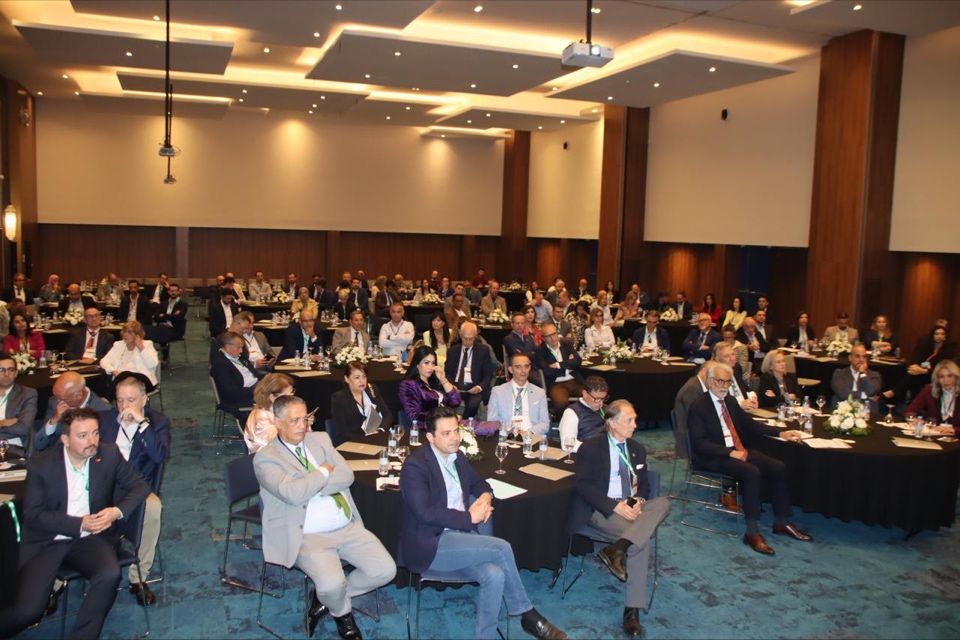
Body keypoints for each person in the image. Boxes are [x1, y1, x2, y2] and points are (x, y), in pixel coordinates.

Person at [398, 406, 567, 640]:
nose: (454, 437)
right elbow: (424, 513)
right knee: (501, 548)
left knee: (495, 574)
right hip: (431, 545)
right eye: (446, 433)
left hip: (461, 538)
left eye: (456, 431)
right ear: (430, 437)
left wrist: (486, 496)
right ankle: (528, 615)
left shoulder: (457, 456)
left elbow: (480, 483)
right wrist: (469, 518)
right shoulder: (415, 466)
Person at [0, 407, 150, 639]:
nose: (92, 441)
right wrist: (79, 524)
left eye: (95, 433)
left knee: (109, 573)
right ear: (65, 439)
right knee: (28, 612)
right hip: (49, 541)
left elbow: (140, 485)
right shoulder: (42, 465)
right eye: (83, 435)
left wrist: (116, 512)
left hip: (90, 540)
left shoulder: (108, 454)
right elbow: (33, 515)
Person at [254, 395, 396, 640]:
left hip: (347, 526)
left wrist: (308, 485)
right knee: (332, 585)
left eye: (305, 418)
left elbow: (347, 476)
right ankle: (342, 613)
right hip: (308, 536)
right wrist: (323, 471)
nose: (303, 426)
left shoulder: (320, 439)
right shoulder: (266, 458)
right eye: (295, 420)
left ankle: (324, 600)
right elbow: (292, 494)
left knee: (385, 571)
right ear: (277, 422)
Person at [567, 399, 670, 638]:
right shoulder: (591, 448)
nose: (635, 425)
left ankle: (617, 548)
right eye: (629, 420)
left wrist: (638, 501)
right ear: (612, 423)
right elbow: (583, 486)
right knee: (641, 542)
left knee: (664, 503)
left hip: (632, 507)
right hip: (602, 509)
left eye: (635, 419)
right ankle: (632, 610)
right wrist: (615, 507)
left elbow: (644, 486)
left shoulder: (637, 449)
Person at [687, 363, 811, 555]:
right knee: (751, 472)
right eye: (720, 381)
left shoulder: (730, 401)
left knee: (778, 467)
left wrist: (780, 433)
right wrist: (729, 453)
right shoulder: (699, 406)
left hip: (737, 450)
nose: (724, 386)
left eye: (728, 382)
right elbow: (699, 443)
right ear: (710, 382)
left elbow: (751, 425)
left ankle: (781, 521)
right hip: (713, 456)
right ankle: (752, 532)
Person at [97, 375, 170, 604]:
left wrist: (142, 424)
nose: (124, 406)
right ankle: (55, 582)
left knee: (153, 507)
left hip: (136, 488)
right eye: (120, 400)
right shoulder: (103, 420)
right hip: (102, 486)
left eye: (131, 400)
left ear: (144, 399)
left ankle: (138, 577)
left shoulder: (157, 423)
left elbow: (159, 456)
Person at [32, 370, 110, 455]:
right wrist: (54, 420)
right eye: (57, 397)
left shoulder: (103, 410)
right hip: (55, 455)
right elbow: (39, 444)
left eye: (62, 399)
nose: (58, 401)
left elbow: (101, 449)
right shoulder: (54, 402)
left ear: (78, 396)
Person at [330, 361, 394, 445]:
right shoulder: (339, 398)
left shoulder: (372, 389)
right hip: (355, 443)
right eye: (357, 377)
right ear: (346, 379)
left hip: (377, 437)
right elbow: (343, 432)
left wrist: (380, 431)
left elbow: (387, 415)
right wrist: (366, 438)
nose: (362, 381)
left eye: (364, 376)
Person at [444, 321, 496, 420]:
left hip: (474, 387)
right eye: (465, 338)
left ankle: (464, 424)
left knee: (473, 404)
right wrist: (451, 385)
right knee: (447, 401)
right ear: (460, 335)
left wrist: (479, 387)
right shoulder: (452, 351)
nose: (468, 341)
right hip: (456, 386)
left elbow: (488, 374)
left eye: (471, 339)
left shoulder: (483, 350)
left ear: (475, 336)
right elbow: (448, 373)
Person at [487, 353, 549, 436]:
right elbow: (492, 421)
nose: (523, 371)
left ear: (530, 368)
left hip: (531, 436)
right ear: (510, 369)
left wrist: (528, 433)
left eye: (526, 366)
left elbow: (545, 424)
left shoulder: (539, 392)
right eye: (518, 367)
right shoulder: (498, 392)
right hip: (507, 435)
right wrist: (508, 431)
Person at [399, 345, 461, 425]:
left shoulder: (436, 380)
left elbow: (456, 402)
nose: (431, 367)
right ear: (417, 364)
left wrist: (443, 380)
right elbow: (414, 416)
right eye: (426, 363)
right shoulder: (408, 384)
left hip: (444, 425)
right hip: (426, 427)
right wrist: (442, 419)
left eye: (433, 363)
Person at [211, 331, 264, 421]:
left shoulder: (239, 357)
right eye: (239, 347)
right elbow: (231, 392)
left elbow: (254, 373)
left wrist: (266, 379)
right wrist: (257, 390)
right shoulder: (221, 364)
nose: (241, 351)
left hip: (255, 387)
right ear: (228, 347)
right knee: (277, 398)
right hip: (242, 397)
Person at [536, 321, 584, 408]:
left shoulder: (567, 343)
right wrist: (568, 367)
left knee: (590, 396)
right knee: (561, 403)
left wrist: (559, 365)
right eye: (548, 336)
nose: (553, 338)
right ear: (543, 338)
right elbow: (547, 371)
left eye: (554, 334)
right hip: (556, 384)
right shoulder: (540, 350)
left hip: (574, 380)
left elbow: (578, 361)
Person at [243, 372, 295, 453]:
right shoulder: (262, 417)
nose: (291, 398)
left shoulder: (279, 408)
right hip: (266, 456)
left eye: (292, 393)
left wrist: (303, 422)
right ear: (272, 397)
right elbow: (278, 443)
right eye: (286, 396)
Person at [100, 321, 160, 389]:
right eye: (124, 332)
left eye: (129, 333)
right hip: (121, 379)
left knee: (127, 376)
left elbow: (152, 364)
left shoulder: (147, 344)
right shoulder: (118, 344)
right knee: (122, 378)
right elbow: (103, 361)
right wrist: (113, 371)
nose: (125, 335)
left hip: (142, 381)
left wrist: (141, 347)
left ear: (137, 335)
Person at [0, 350, 38, 457]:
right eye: (1, 370)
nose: (6, 374)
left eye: (11, 370)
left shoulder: (28, 394)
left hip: (13, 446)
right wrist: (3, 423)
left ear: (16, 373)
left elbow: (23, 428)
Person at [908, 360, 960, 435]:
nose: (946, 380)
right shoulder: (929, 390)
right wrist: (914, 419)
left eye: (950, 376)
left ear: (956, 377)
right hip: (934, 434)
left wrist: (954, 430)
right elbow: (910, 410)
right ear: (937, 379)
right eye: (941, 377)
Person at [558, 375, 609, 450]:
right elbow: (567, 444)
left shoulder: (607, 409)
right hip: (586, 453)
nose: (601, 403)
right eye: (597, 399)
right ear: (585, 394)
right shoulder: (572, 413)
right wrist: (597, 449)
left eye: (603, 399)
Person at [830, 344, 882, 414]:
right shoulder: (839, 373)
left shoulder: (874, 375)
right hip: (843, 410)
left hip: (866, 411)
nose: (861, 360)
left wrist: (862, 374)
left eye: (864, 357)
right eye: (857, 356)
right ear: (850, 358)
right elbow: (843, 393)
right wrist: (864, 395)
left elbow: (871, 391)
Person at [713, 342, 757, 410]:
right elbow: (719, 402)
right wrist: (739, 405)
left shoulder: (737, 368)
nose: (732, 358)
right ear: (717, 360)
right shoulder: (715, 376)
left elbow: (744, 387)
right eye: (726, 356)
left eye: (733, 354)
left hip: (746, 410)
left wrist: (753, 398)